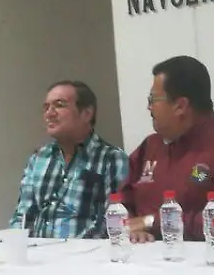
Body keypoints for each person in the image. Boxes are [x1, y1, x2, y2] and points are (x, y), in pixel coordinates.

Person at [119, 55, 214, 242]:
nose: (148, 107)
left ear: (180, 106)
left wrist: (151, 222)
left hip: (210, 255)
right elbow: (121, 200)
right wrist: (131, 227)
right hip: (143, 252)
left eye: (153, 99)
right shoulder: (150, 146)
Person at [10, 81, 129, 238]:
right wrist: (17, 244)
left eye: (59, 105)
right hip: (38, 249)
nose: (49, 114)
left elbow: (113, 222)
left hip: (88, 251)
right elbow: (22, 217)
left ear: (86, 114)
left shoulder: (111, 159)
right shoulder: (39, 159)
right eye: (46, 108)